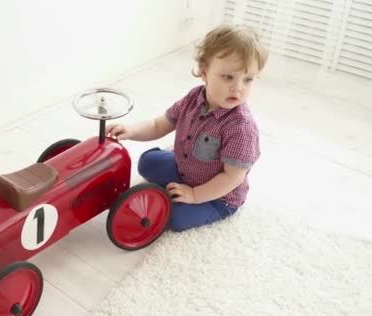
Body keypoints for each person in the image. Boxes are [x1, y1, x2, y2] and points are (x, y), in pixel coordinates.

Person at [106, 24, 268, 232]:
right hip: (185, 170)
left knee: (171, 218)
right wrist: (131, 131)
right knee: (146, 162)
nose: (238, 88)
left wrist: (194, 195)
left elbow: (232, 178)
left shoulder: (241, 128)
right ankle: (175, 157)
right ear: (204, 72)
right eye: (228, 77)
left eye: (248, 79)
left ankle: (190, 195)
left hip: (218, 197)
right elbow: (159, 124)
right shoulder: (194, 97)